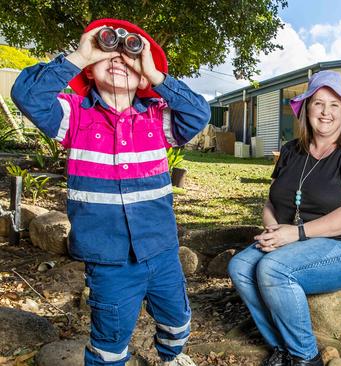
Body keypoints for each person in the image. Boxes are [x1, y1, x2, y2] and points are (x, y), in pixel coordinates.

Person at [11, 19, 210, 366]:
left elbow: (198, 112)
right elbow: (26, 94)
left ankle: (172, 355)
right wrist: (81, 53)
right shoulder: (73, 116)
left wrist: (156, 73)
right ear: (89, 70)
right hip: (109, 260)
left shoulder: (157, 120)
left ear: (144, 78)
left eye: (129, 54)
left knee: (177, 318)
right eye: (108, 52)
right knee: (109, 336)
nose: (118, 58)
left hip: (162, 251)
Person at [228, 70, 341, 366]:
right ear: (306, 109)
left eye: (335, 105)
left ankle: (305, 357)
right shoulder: (290, 151)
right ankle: (281, 348)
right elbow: (271, 201)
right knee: (240, 265)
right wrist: (274, 231)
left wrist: (293, 235)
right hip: (297, 239)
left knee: (273, 269)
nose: (326, 112)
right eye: (318, 103)